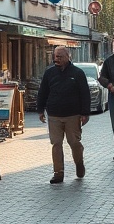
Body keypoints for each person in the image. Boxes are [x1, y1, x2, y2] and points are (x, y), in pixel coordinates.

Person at [36, 46, 91, 183]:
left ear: (68, 56)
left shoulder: (77, 73)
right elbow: (43, 92)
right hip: (54, 114)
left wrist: (85, 113)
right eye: (55, 56)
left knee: (74, 142)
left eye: (60, 56)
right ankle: (58, 173)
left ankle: (79, 163)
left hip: (72, 114)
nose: (57, 59)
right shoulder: (50, 73)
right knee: (56, 143)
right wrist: (40, 109)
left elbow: (85, 94)